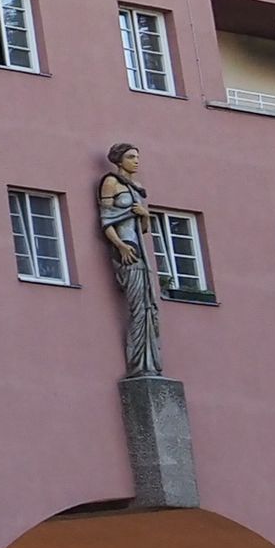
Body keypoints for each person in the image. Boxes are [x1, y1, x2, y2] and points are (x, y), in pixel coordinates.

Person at [94, 141, 162, 378]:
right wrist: (120, 245)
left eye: (137, 157)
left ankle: (149, 360)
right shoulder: (111, 183)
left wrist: (145, 216)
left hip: (138, 248)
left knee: (147, 305)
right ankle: (138, 362)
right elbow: (106, 220)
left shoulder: (137, 187)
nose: (136, 161)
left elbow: (142, 227)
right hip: (126, 248)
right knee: (136, 306)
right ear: (119, 159)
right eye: (131, 157)